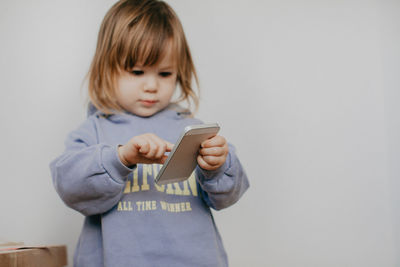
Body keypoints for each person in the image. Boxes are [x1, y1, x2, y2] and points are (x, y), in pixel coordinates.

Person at [50, 0, 249, 266]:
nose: (152, 86)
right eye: (137, 71)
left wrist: (218, 165)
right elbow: (70, 187)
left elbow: (227, 196)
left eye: (165, 73)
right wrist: (121, 158)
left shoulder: (193, 130)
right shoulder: (95, 130)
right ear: (106, 68)